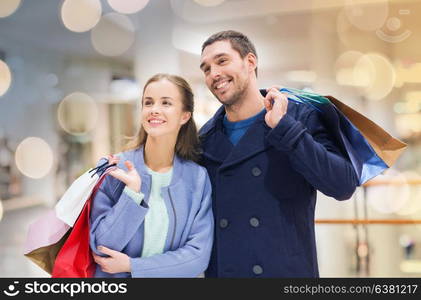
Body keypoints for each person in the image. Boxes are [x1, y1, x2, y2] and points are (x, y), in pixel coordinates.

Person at [198, 30, 359, 277]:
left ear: (250, 62)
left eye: (222, 61)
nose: (214, 74)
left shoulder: (299, 118)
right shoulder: (205, 139)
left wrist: (286, 129)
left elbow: (342, 186)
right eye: (206, 69)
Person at [89, 73, 214, 278]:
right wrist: (131, 195)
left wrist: (133, 266)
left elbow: (197, 257)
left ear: (185, 115)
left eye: (166, 103)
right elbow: (102, 247)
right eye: (148, 103)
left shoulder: (197, 179)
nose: (154, 109)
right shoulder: (113, 168)